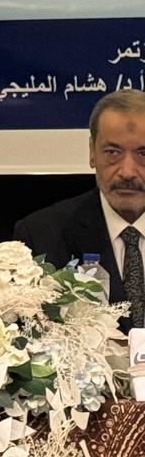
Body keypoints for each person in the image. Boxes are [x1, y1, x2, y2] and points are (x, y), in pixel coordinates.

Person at [14, 88, 145, 326]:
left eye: (143, 153)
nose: (127, 172)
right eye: (112, 152)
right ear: (92, 152)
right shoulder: (42, 235)